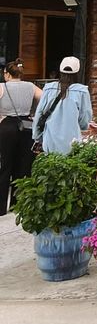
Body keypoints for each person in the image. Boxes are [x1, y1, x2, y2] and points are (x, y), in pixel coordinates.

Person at [0, 59, 42, 215]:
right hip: (26, 126)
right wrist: (34, 115)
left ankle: (1, 207)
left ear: (7, 73)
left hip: (6, 126)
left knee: (5, 166)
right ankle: (17, 205)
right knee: (23, 166)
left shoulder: (2, 86)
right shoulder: (31, 86)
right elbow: (44, 99)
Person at [31, 56, 93, 155]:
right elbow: (84, 118)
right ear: (78, 72)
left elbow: (39, 113)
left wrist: (37, 136)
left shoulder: (49, 88)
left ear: (60, 71)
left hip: (50, 139)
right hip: (72, 141)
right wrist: (83, 126)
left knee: (50, 163)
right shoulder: (82, 91)